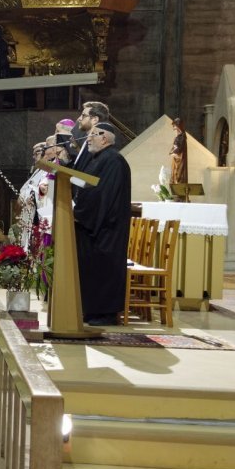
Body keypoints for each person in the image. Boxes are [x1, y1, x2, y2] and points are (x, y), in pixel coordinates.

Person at [72, 122, 132, 325]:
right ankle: (91, 311)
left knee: (103, 268)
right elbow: (85, 184)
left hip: (106, 228)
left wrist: (79, 212)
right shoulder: (98, 159)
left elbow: (101, 194)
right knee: (92, 268)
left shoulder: (113, 160)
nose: (87, 138)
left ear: (105, 138)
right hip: (94, 225)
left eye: (92, 135)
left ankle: (104, 314)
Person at [72, 102, 110, 172]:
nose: (79, 119)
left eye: (83, 115)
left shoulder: (99, 142)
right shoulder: (90, 139)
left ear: (94, 119)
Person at [169, 117, 189, 200]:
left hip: (179, 160)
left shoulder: (182, 137)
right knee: (174, 175)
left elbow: (179, 149)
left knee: (179, 176)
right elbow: (174, 148)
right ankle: (176, 194)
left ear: (178, 126)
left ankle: (179, 195)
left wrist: (174, 153)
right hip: (175, 160)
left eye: (174, 125)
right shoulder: (179, 136)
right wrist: (172, 152)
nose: (173, 128)